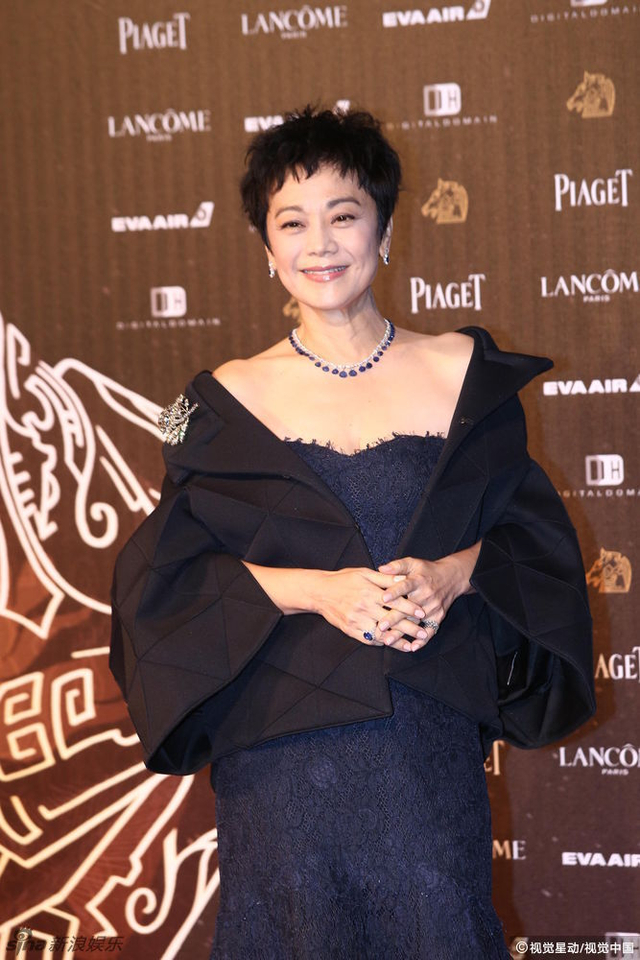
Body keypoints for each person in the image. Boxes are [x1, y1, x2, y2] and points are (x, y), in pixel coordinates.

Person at [110, 107, 596, 959]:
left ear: (385, 228)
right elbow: (168, 582)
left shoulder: (461, 373)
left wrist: (453, 574)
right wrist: (316, 592)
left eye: (343, 214)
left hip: (424, 740)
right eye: (291, 222)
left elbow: (533, 543)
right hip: (279, 755)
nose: (321, 244)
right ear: (266, 247)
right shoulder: (224, 400)